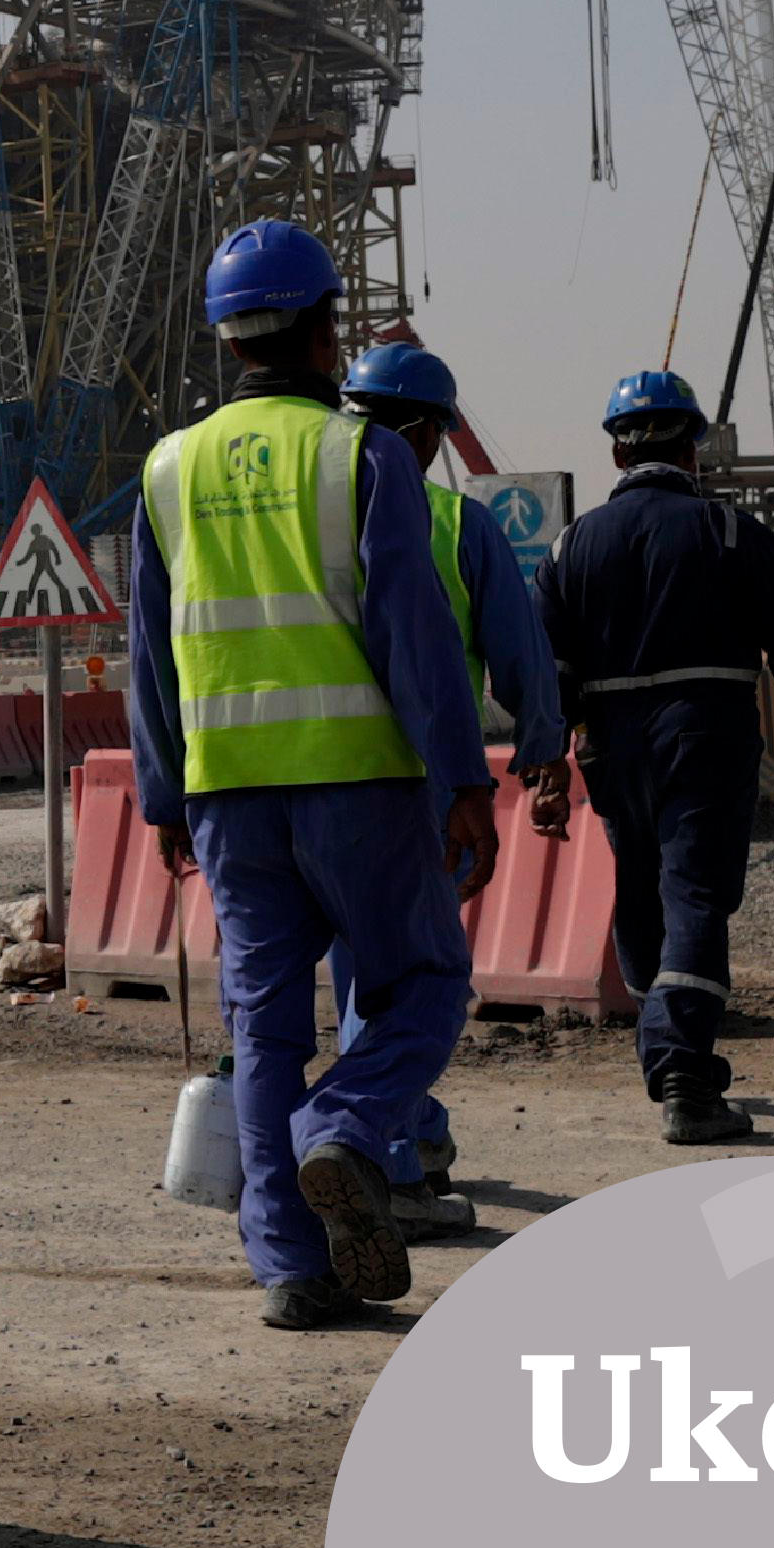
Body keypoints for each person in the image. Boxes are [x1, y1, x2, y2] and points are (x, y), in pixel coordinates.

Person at [124, 226, 500, 1332]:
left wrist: (161, 796)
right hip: (362, 786)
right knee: (420, 987)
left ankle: (292, 1268)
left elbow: (150, 649)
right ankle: (343, 1128)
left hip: (227, 795)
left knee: (267, 1025)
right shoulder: (362, 455)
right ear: (328, 327)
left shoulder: (166, 468)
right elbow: (415, 638)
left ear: (227, 335)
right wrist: (461, 775)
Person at [541, 370, 774, 1145]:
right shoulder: (731, 532)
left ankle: (666, 1031)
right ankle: (682, 1070)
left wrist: (550, 754)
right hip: (703, 735)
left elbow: (547, 668)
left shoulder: (572, 544)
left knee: (643, 889)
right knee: (697, 895)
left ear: (616, 454)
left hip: (609, 743)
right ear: (695, 447)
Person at [330, 341, 575, 1240]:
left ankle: (414, 1136)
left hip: (286, 781)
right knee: (403, 984)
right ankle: (384, 1164)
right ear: (430, 434)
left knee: (351, 978)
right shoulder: (452, 522)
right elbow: (521, 655)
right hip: (415, 783)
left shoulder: (299, 509)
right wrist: (545, 751)